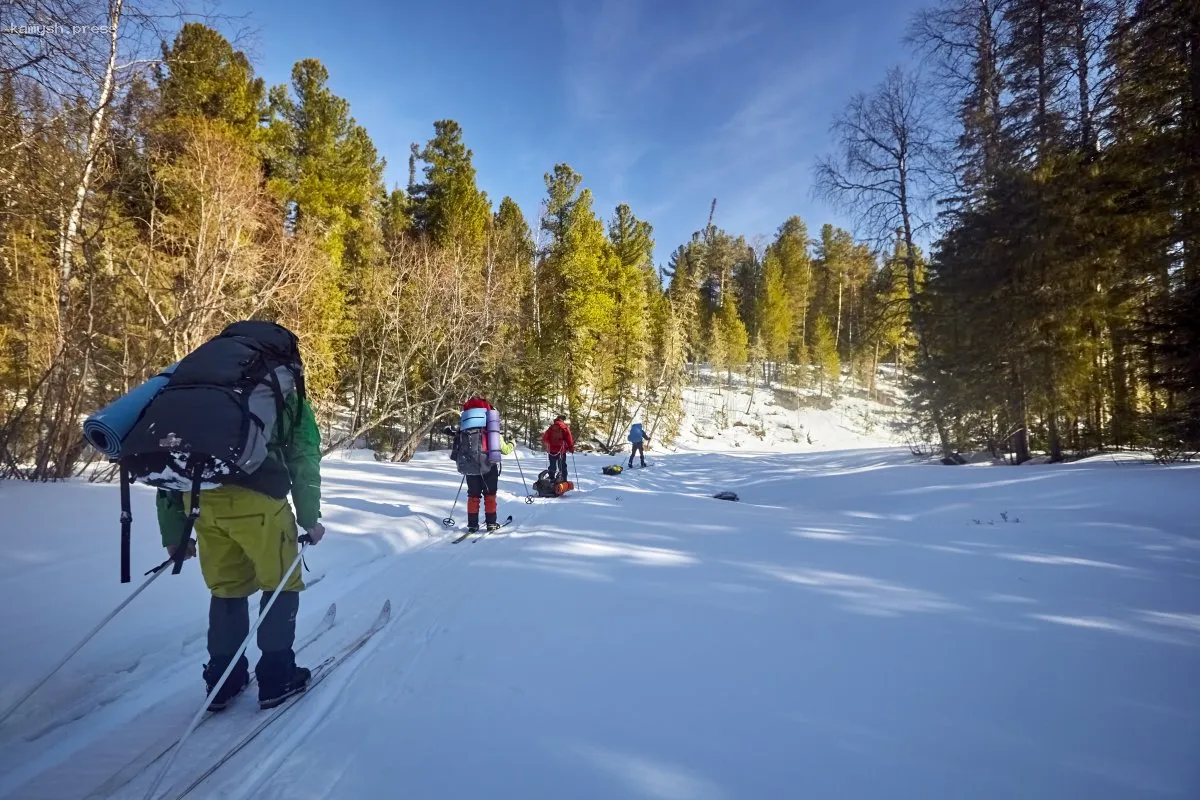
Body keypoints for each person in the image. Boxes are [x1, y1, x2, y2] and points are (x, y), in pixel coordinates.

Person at [155, 361, 324, 713]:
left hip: (200, 501)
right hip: (259, 501)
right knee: (280, 584)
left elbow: (168, 458)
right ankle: (277, 678)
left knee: (227, 587)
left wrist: (175, 531)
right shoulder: (282, 394)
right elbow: (304, 457)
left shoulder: (199, 392)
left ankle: (222, 681)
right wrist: (309, 518)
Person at [456, 396, 513, 533]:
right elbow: (504, 449)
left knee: (473, 495)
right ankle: (491, 523)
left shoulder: (465, 425)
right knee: (490, 494)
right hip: (489, 464)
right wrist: (512, 444)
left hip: (470, 464)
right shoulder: (490, 426)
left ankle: (472, 524)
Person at [542, 414, 574, 482]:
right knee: (562, 466)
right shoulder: (564, 427)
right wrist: (571, 447)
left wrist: (548, 444)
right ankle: (563, 479)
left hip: (552, 450)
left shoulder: (551, 427)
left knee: (552, 465)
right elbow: (569, 438)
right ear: (563, 420)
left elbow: (545, 438)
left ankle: (551, 478)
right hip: (561, 450)